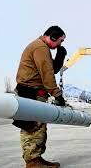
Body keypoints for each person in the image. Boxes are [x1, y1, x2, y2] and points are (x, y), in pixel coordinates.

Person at [14, 25, 67, 168]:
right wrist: (57, 94)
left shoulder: (41, 47)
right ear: (53, 37)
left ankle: (36, 158)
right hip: (30, 93)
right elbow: (47, 75)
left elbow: (50, 69)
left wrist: (60, 56)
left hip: (32, 92)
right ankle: (32, 162)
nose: (60, 44)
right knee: (33, 127)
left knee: (39, 127)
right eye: (60, 41)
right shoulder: (40, 48)